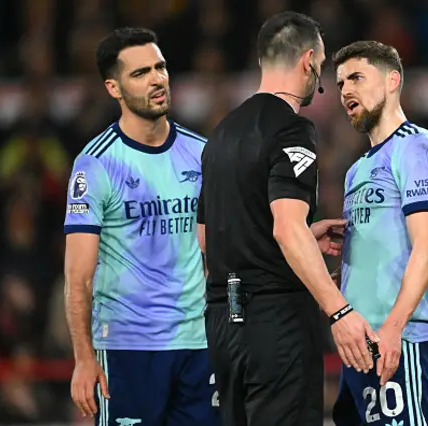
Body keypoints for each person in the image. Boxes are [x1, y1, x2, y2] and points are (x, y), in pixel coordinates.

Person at [196, 11, 378, 426]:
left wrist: (299, 239)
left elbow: (208, 237)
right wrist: (339, 312)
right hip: (275, 324)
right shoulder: (293, 130)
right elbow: (285, 227)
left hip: (223, 326)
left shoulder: (220, 134)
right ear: (309, 60)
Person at [63, 27, 220, 426]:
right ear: (113, 88)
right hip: (127, 348)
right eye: (140, 73)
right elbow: (77, 276)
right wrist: (83, 357)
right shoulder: (96, 164)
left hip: (199, 347)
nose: (157, 79)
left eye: (161, 67)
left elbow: (226, 243)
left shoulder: (201, 154)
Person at [331, 40, 428, 426]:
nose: (346, 90)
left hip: (401, 339)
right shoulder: (355, 170)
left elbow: (427, 245)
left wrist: (394, 329)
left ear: (391, 81)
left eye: (356, 78)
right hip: (360, 346)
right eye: (339, 84)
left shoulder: (417, 147)